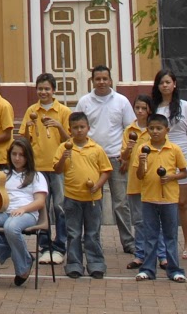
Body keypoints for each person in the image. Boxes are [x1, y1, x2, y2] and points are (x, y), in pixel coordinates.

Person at [76, 63, 136, 255]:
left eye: (105, 79)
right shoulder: (85, 101)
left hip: (117, 158)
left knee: (121, 202)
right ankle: (92, 241)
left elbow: (130, 130)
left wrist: (127, 156)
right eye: (97, 79)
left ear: (111, 80)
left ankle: (128, 242)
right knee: (93, 202)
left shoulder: (122, 101)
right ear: (92, 81)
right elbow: (76, 127)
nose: (101, 82)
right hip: (91, 160)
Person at [0, 138, 48, 287]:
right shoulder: (4, 174)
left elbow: (40, 201)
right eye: (14, 154)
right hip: (4, 211)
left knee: (10, 226)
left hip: (26, 213)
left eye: (21, 155)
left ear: (28, 156)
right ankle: (10, 252)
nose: (17, 158)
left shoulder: (36, 175)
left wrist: (23, 209)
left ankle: (22, 266)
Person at [56, 111, 113, 279]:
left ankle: (96, 264)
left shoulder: (96, 149)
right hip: (72, 197)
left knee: (93, 232)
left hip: (93, 199)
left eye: (82, 127)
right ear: (70, 129)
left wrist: (97, 186)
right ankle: (74, 264)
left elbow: (106, 171)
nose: (79, 130)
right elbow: (57, 170)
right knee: (73, 233)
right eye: (75, 128)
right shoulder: (64, 147)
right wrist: (63, 159)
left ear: (88, 128)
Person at [151, 67, 187, 260]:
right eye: (161, 82)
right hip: (158, 155)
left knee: (183, 203)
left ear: (174, 84)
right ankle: (161, 246)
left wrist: (181, 146)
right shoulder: (153, 107)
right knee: (160, 203)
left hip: (181, 154)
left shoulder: (185, 106)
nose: (165, 85)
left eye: (168, 82)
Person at [134, 110, 187, 282]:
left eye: (159, 128)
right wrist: (142, 162)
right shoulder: (142, 149)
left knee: (170, 235)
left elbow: (184, 173)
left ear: (166, 130)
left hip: (169, 198)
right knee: (150, 235)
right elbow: (140, 175)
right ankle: (148, 269)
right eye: (151, 128)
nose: (155, 131)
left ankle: (174, 269)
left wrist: (171, 177)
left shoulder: (174, 149)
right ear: (147, 130)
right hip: (149, 198)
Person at [22, 72, 70, 262]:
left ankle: (60, 245)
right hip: (38, 166)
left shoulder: (63, 111)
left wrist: (59, 126)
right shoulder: (31, 110)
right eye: (40, 89)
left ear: (54, 90)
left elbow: (70, 141)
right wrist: (27, 126)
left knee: (59, 206)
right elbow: (25, 142)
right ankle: (44, 245)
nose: (43, 92)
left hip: (57, 167)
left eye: (47, 89)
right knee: (42, 207)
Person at [121, 94, 154, 271]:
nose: (140, 111)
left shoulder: (154, 128)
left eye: (143, 108)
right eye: (137, 108)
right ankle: (140, 254)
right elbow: (123, 157)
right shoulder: (129, 130)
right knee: (139, 220)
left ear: (149, 109)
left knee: (156, 220)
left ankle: (161, 255)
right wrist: (129, 148)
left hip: (153, 180)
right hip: (135, 180)